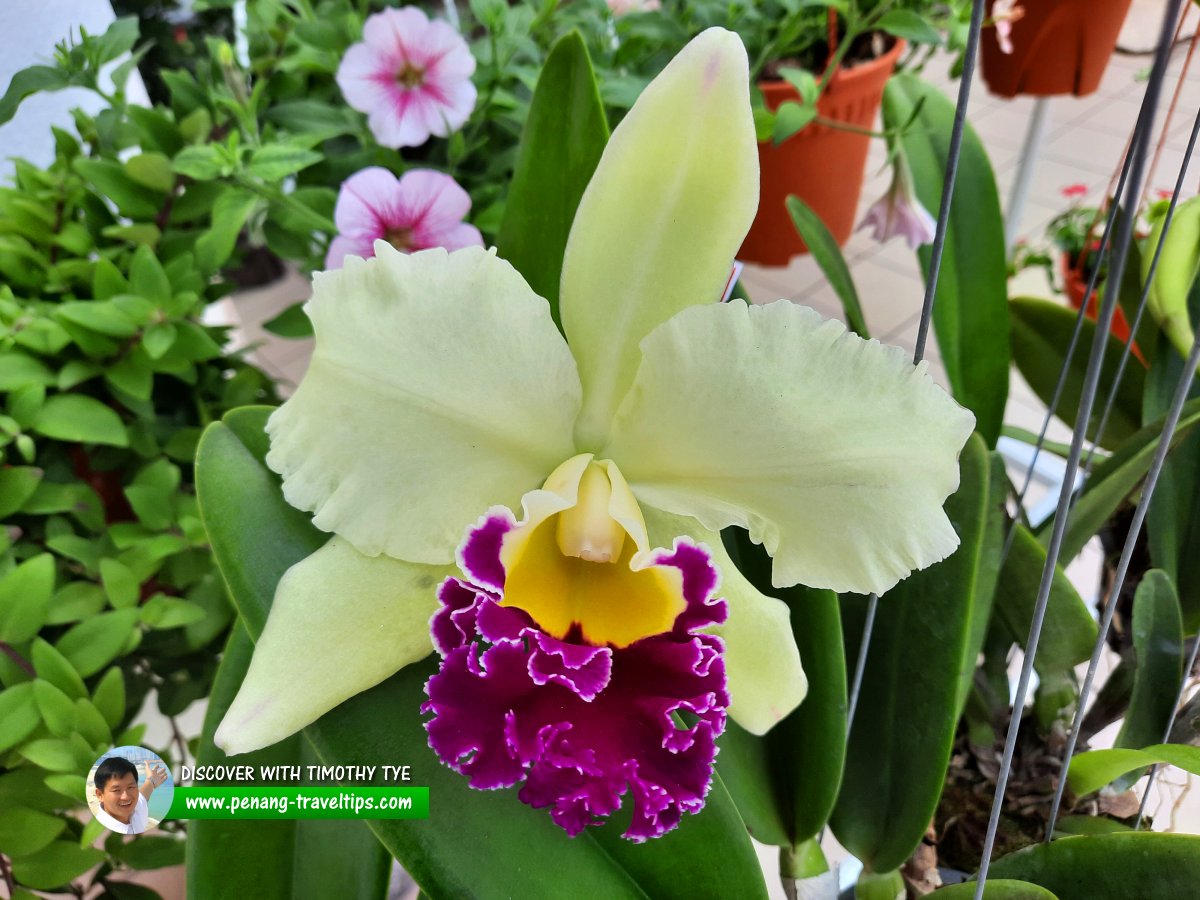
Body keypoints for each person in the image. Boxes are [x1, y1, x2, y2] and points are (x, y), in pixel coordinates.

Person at [92, 756, 168, 834]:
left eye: (130, 787)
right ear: (100, 795)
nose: (126, 797)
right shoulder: (100, 833)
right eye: (116, 790)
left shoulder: (136, 808)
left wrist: (151, 781)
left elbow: (143, 795)